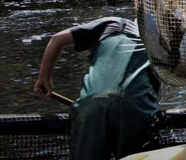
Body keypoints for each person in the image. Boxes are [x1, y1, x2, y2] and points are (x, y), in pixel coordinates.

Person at [34, 16, 160, 160]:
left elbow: (57, 39)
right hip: (135, 108)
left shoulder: (113, 23)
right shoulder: (159, 45)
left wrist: (44, 78)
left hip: (90, 106)